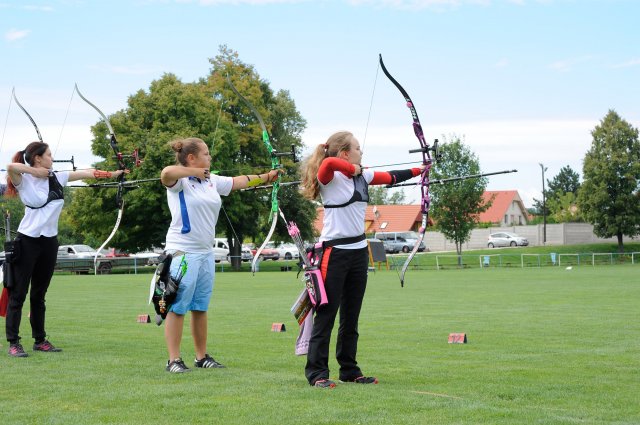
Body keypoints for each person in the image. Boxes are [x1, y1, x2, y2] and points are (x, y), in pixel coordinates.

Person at [299, 131, 423, 388]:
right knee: (326, 314)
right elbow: (328, 163)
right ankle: (317, 373)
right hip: (333, 253)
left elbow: (390, 177)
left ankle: (349, 369)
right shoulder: (329, 178)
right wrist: (352, 168)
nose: (361, 153)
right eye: (357, 148)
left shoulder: (362, 176)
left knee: (351, 316)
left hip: (357, 252)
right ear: (345, 153)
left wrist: (420, 169)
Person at [160, 137, 279, 373]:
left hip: (205, 253)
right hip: (182, 251)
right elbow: (166, 173)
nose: (210, 157)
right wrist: (194, 172)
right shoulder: (179, 182)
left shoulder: (211, 181)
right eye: (205, 153)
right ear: (191, 158)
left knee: (200, 306)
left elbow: (239, 181)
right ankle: (173, 360)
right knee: (177, 306)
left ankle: (201, 357)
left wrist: (267, 176)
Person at [4, 141, 126, 357]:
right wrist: (36, 172)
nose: (52, 158)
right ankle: (14, 342)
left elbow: (87, 173)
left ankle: (40, 340)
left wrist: (114, 173)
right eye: (49, 155)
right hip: (27, 241)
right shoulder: (25, 180)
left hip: (49, 242)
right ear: (38, 158)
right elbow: (12, 167)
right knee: (18, 294)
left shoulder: (58, 177)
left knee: (39, 294)